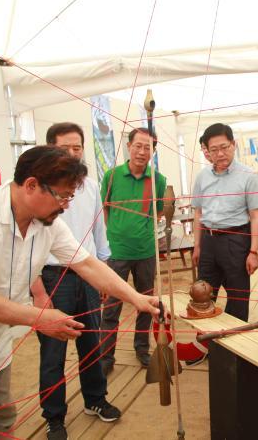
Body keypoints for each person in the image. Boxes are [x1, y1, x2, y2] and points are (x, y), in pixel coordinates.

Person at [0, 146, 159, 440]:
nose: (66, 205)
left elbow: (87, 264)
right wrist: (39, 317)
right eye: (63, 196)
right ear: (31, 185)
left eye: (70, 196)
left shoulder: (47, 224)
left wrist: (136, 298)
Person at [28, 123, 118, 439]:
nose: (72, 153)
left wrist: (104, 277)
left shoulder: (91, 187)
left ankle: (95, 400)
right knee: (53, 351)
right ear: (51, 149)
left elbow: (99, 234)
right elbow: (29, 244)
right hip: (54, 276)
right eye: (65, 148)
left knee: (91, 343)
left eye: (77, 147)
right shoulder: (39, 190)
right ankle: (54, 417)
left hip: (88, 273)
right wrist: (38, 290)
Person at [99, 128, 166, 374]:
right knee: (111, 308)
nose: (142, 151)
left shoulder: (157, 180)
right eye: (138, 145)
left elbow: (158, 213)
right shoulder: (112, 176)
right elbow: (105, 209)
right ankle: (106, 357)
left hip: (146, 253)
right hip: (117, 254)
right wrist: (114, 235)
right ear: (129, 146)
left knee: (146, 304)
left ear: (153, 151)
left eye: (148, 147)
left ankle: (141, 348)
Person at [191, 123, 258, 321]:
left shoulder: (248, 176)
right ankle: (208, 346)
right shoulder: (202, 177)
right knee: (202, 295)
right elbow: (198, 212)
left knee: (238, 298)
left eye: (224, 147)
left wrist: (254, 251)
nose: (220, 154)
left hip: (236, 241)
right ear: (206, 150)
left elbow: (256, 215)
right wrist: (197, 245)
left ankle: (235, 350)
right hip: (208, 242)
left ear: (234, 144)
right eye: (214, 150)